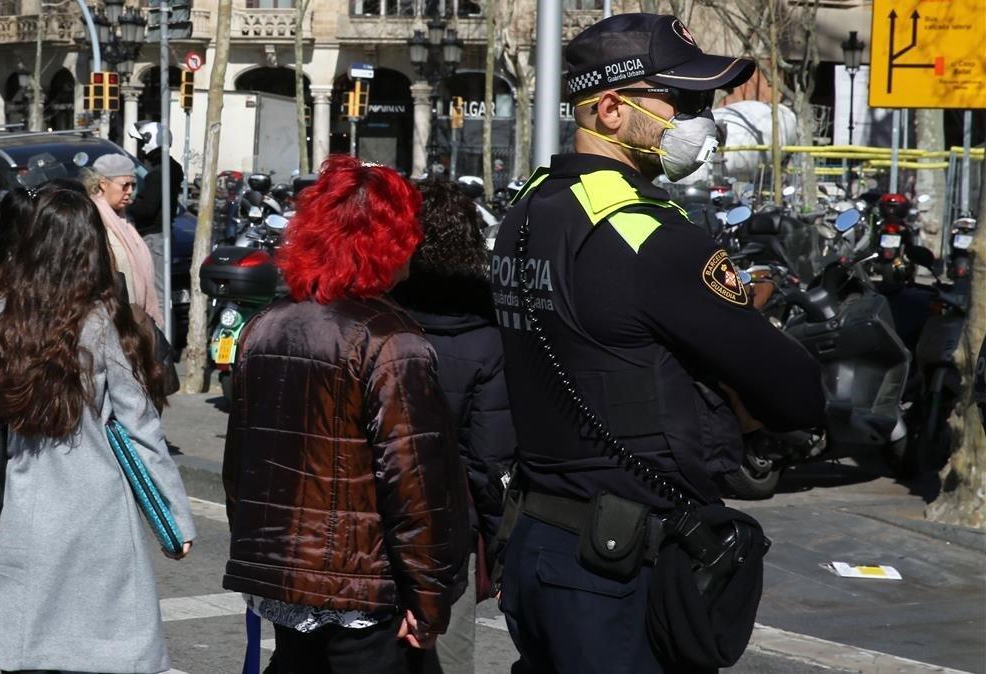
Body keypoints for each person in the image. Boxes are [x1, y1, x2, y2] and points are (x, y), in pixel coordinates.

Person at [488, 13, 826, 673]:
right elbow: (795, 390)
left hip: (539, 548)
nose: (706, 117)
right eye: (686, 100)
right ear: (611, 109)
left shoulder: (528, 211)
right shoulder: (652, 237)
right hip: (621, 572)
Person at [222, 155, 469, 674]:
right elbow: (415, 486)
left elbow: (241, 463)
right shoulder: (390, 339)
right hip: (363, 593)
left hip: (287, 584)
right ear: (390, 242)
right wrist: (428, 598)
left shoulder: (266, 326)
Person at [0, 188, 196, 674]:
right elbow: (140, 425)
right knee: (95, 653)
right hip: (94, 516)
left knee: (26, 654)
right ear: (89, 246)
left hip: (14, 511)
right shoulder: (100, 322)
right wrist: (174, 519)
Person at [392, 179, 517, 674]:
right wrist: (502, 549)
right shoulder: (488, 338)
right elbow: (491, 462)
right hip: (446, 535)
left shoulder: (375, 319)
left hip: (370, 528)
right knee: (443, 658)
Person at [84, 153, 163, 327]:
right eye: (124, 185)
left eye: (133, 185)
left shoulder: (123, 219)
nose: (130, 192)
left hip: (133, 317)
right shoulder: (93, 219)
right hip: (111, 319)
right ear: (103, 184)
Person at [126, 121, 185, 308]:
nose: (142, 148)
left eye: (143, 142)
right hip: (161, 233)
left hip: (154, 235)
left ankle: (161, 333)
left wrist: (126, 203)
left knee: (157, 292)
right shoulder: (171, 167)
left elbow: (147, 209)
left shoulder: (159, 173)